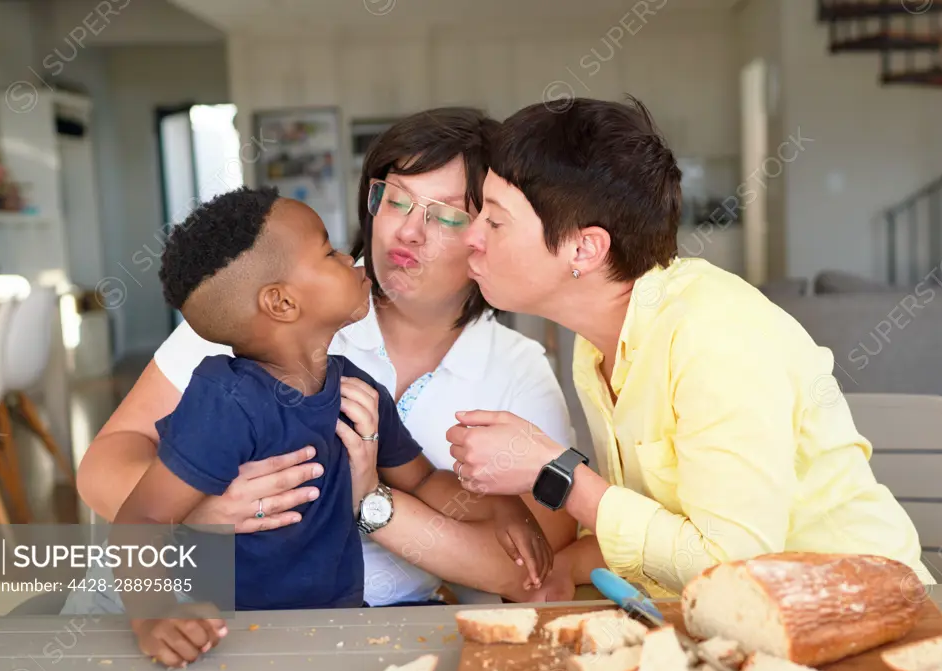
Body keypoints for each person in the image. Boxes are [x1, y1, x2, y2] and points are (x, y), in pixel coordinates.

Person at [69, 107, 577, 612]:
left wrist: (374, 504)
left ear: (488, 232)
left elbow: (529, 570)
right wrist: (207, 511)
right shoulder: (258, 300)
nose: (407, 232)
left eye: (444, 215)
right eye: (396, 200)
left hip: (356, 627)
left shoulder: (514, 369)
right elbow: (105, 465)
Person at [448, 95, 935, 600]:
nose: (471, 238)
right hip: (740, 627)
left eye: (496, 221)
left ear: (584, 248)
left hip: (865, 620)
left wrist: (558, 473)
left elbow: (732, 566)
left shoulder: (717, 337)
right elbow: (654, 525)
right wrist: (560, 570)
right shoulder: (597, 344)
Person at [113, 188, 549, 667]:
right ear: (282, 303)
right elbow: (142, 520)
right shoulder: (224, 401)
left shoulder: (356, 391)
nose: (350, 257)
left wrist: (501, 505)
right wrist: (153, 615)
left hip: (332, 632)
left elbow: (422, 481)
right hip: (227, 642)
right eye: (329, 252)